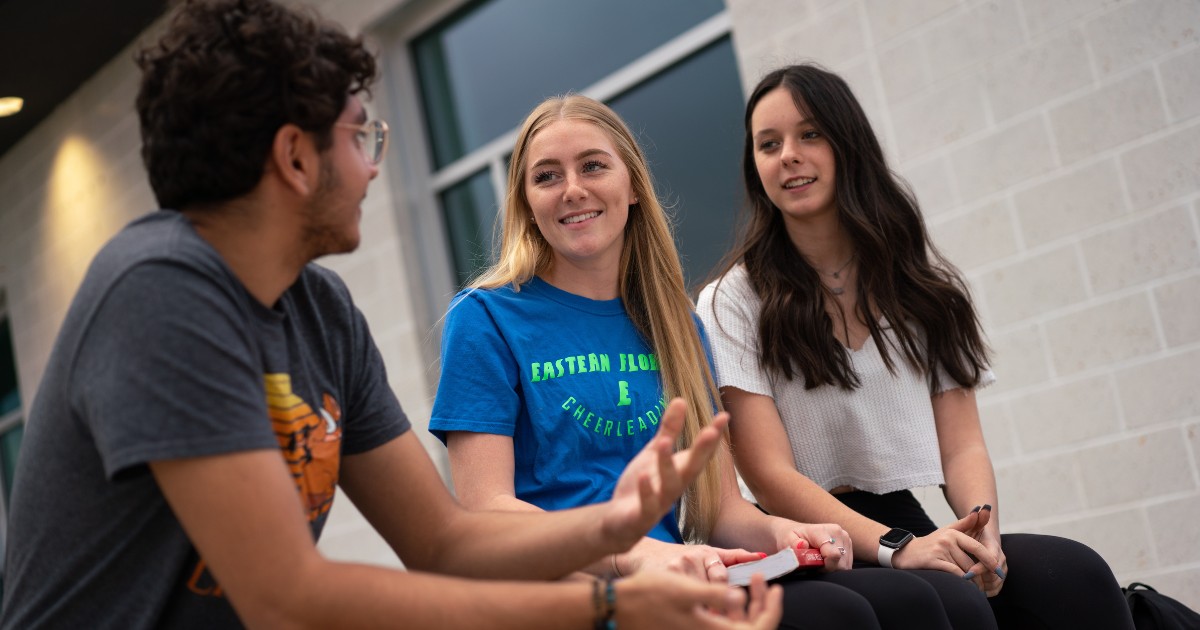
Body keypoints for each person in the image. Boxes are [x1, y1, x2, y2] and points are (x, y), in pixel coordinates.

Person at [0, 1, 785, 628]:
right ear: (296, 158)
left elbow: (441, 541)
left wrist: (614, 533)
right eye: (361, 137)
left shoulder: (321, 311)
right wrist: (606, 603)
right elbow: (290, 600)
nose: (374, 166)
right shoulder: (160, 292)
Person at [428, 93, 996, 630]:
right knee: (839, 619)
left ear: (632, 187)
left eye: (593, 166)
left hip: (681, 577)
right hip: (567, 593)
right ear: (526, 203)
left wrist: (791, 532)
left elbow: (722, 511)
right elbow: (487, 512)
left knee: (932, 602)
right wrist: (632, 554)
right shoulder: (485, 318)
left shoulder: (674, 322)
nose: (571, 189)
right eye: (546, 176)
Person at [698, 63, 1135, 629]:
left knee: (1073, 574)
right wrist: (897, 546)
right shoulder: (732, 300)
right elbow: (768, 476)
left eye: (810, 134)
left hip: (905, 518)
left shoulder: (922, 290)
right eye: (768, 144)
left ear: (847, 144)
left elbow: (962, 449)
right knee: (949, 601)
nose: (788, 155)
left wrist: (986, 539)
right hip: (813, 539)